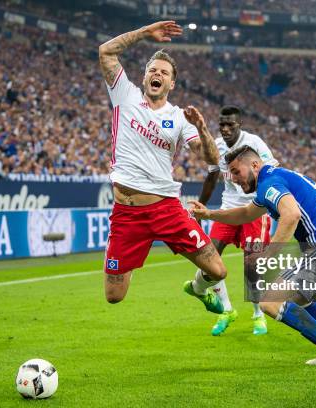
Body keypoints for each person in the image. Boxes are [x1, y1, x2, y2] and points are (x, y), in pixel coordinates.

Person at [191, 146, 316, 382]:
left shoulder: (269, 184)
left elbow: (292, 215)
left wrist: (269, 254)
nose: (234, 179)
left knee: (269, 302)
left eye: (237, 172)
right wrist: (210, 215)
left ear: (255, 165)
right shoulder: (275, 179)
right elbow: (246, 214)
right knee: (303, 300)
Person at [98, 20, 228, 314]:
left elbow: (209, 159)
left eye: (164, 73)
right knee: (113, 296)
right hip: (127, 214)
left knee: (218, 271)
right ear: (144, 78)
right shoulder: (124, 96)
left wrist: (204, 129)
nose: (157, 74)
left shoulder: (180, 117)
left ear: (172, 84)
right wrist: (144, 34)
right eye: (152, 70)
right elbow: (106, 52)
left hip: (166, 208)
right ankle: (125, 256)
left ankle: (198, 290)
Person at [196, 105, 278, 336]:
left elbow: (273, 170)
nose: (224, 129)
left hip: (253, 209)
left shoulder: (255, 143)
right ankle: (227, 309)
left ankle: (258, 314)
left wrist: (271, 202)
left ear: (239, 125)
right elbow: (211, 177)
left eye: (229, 124)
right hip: (228, 208)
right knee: (209, 261)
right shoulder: (217, 145)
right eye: (221, 124)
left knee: (252, 267)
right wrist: (201, 208)